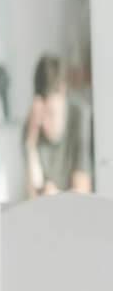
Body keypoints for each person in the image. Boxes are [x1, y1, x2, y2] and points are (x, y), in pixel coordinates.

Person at [24, 55, 93, 197]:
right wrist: (30, 144)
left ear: (62, 93)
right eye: (42, 114)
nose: (44, 123)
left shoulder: (80, 117)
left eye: (50, 113)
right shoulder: (32, 126)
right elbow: (32, 196)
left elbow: (83, 192)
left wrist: (55, 197)